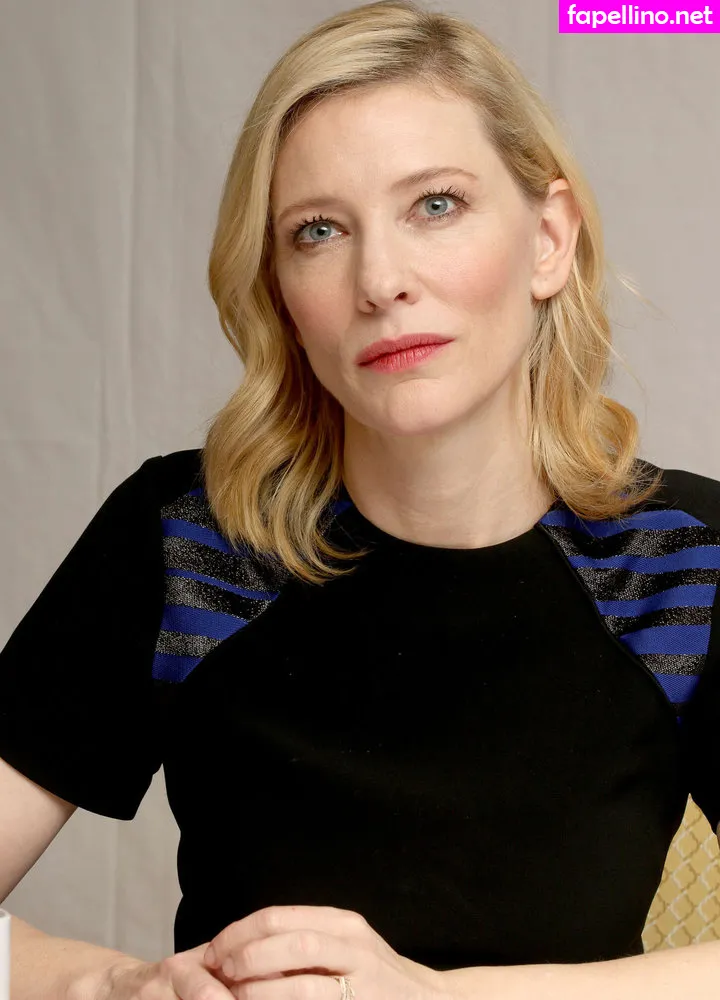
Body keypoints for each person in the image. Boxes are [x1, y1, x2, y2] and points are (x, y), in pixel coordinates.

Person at [2, 0, 720, 998]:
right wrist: (118, 986)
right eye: (319, 230)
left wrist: (438, 998)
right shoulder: (189, 538)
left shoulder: (684, 561)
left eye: (436, 204)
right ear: (281, 294)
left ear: (549, 239)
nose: (380, 280)